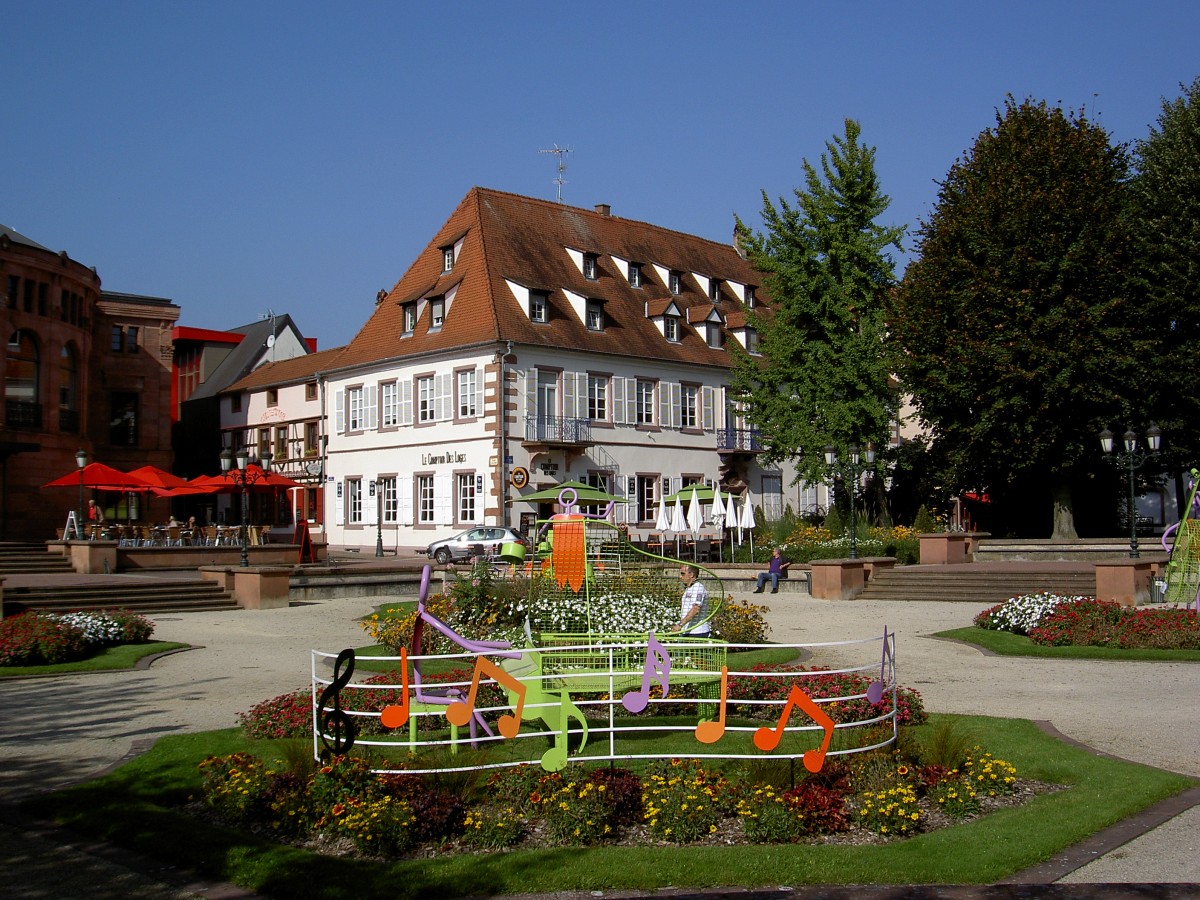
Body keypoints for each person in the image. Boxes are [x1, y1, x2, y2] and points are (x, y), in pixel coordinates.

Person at [677, 564, 710, 636]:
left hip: (697, 632)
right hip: (687, 630)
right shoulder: (689, 588)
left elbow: (695, 609)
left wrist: (680, 625)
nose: (680, 577)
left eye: (683, 574)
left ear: (691, 574)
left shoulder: (698, 588)